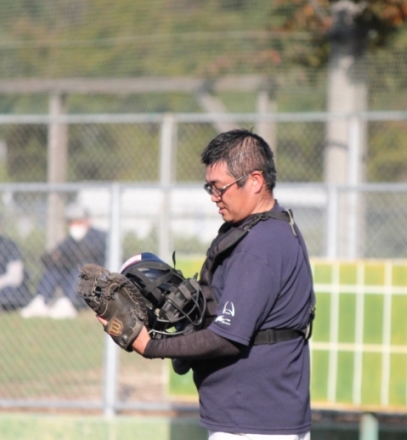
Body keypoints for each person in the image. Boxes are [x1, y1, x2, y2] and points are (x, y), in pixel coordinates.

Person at [100, 129, 315, 439]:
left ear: (255, 181)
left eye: (219, 187)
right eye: (209, 187)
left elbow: (227, 337)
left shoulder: (260, 246)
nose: (214, 196)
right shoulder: (265, 229)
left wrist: (149, 345)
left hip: (255, 423)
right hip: (258, 415)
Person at [21, 202, 107, 319]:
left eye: (78, 222)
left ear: (87, 221)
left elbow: (90, 256)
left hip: (94, 285)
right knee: (54, 269)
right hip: (71, 279)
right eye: (71, 222)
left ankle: (68, 304)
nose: (74, 226)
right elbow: (53, 256)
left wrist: (69, 258)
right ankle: (40, 300)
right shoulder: (69, 241)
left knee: (82, 267)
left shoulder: (99, 237)